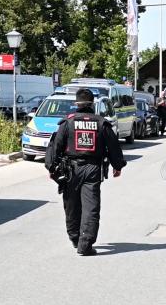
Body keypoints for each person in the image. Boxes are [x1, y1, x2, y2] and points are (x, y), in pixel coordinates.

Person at [53, 88, 127, 256]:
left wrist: (52, 168)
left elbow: (56, 146)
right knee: (91, 207)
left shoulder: (68, 122)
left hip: (71, 169)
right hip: (93, 169)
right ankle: (85, 244)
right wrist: (118, 165)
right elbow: (113, 146)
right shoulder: (101, 122)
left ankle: (74, 238)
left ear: (76, 104)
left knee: (71, 205)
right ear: (92, 104)